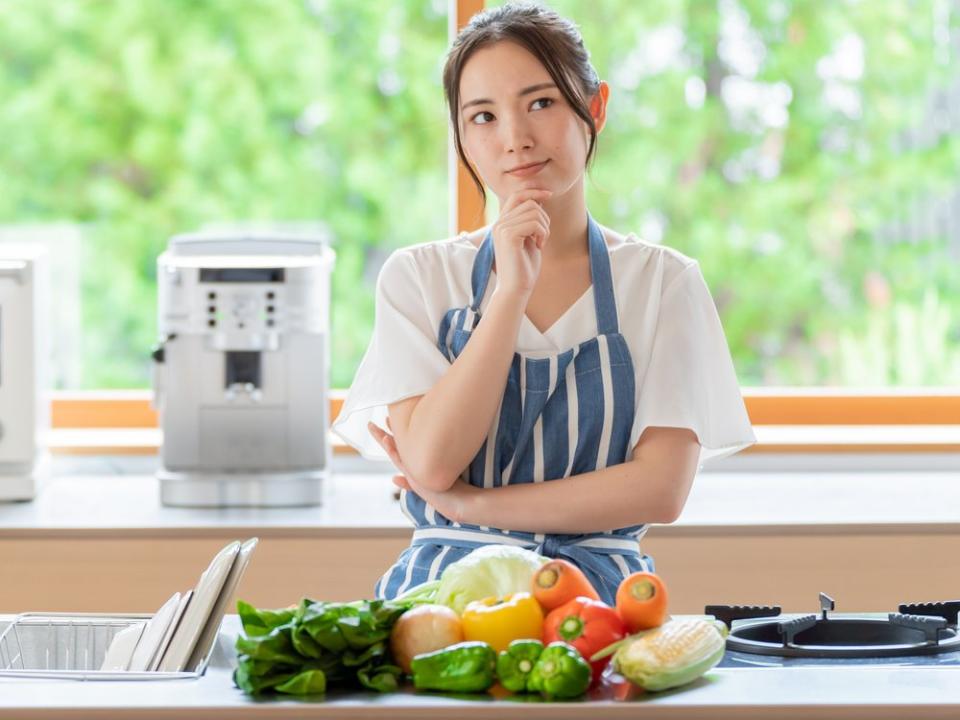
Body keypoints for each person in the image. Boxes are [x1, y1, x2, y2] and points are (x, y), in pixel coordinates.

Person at [332, 2, 756, 605]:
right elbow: (430, 462)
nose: (515, 139)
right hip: (442, 599)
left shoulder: (664, 283)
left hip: (598, 601)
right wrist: (510, 294)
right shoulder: (419, 277)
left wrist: (473, 506)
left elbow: (661, 490)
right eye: (482, 116)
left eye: (541, 102)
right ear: (461, 140)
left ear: (595, 108)